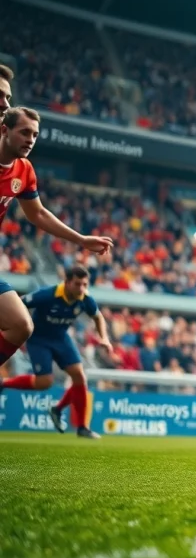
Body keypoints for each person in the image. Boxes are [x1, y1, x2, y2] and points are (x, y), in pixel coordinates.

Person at [0, 106, 113, 381]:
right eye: (24, 132)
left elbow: (38, 213)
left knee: (22, 325)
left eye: (35, 135)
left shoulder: (24, 170)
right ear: (4, 130)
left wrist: (81, 239)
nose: (30, 139)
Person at [3, 267, 111, 439]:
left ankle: (79, 425)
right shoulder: (47, 295)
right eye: (77, 284)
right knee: (44, 382)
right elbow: (19, 304)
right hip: (38, 339)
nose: (82, 288)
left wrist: (104, 338)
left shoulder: (85, 299)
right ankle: (4, 383)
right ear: (67, 282)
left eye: (85, 284)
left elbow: (98, 317)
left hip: (61, 338)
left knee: (79, 376)